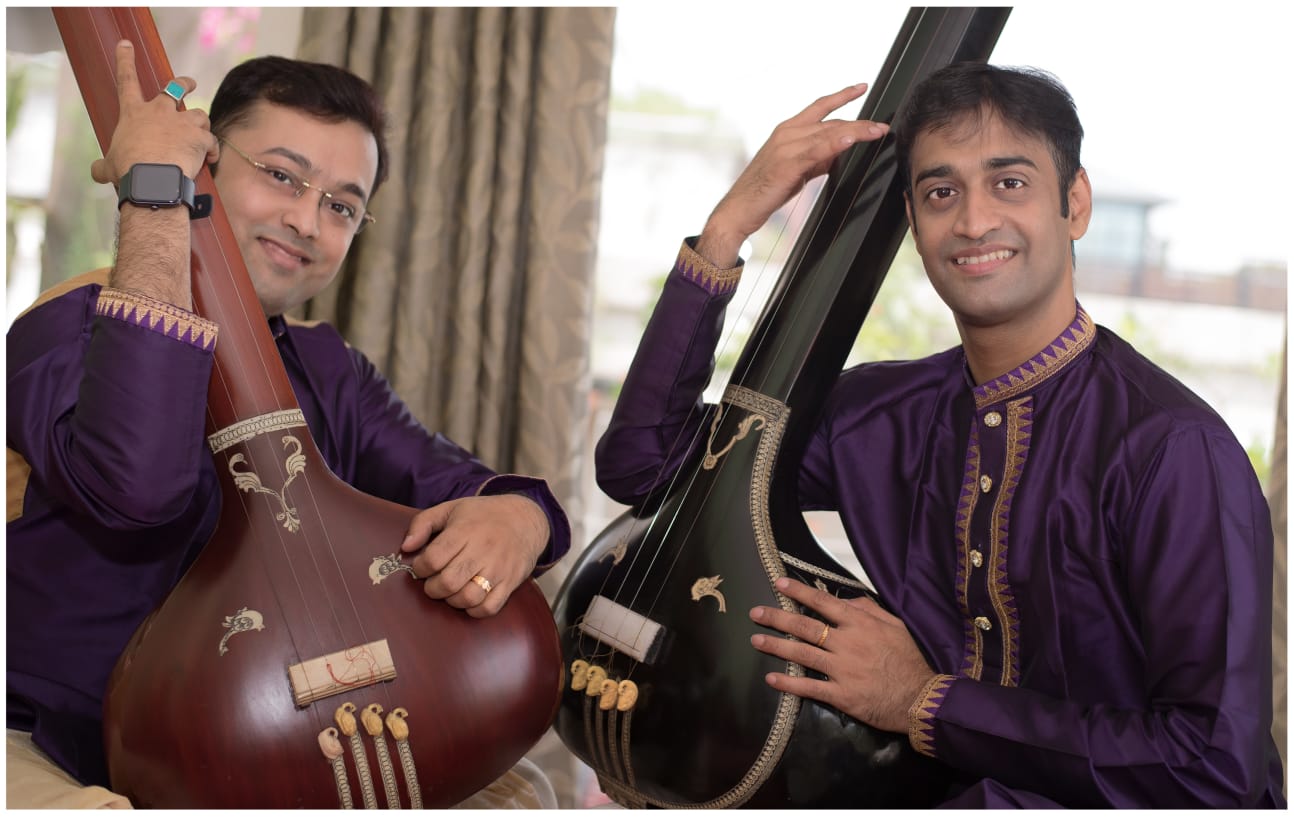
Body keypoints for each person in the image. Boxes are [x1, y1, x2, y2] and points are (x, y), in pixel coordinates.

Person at [594, 65, 1285, 807]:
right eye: (941, 192)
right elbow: (647, 466)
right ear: (914, 222)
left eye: (1009, 183)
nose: (974, 221)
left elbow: (1214, 770)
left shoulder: (1175, 451)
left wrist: (923, 699)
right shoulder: (880, 414)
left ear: (1075, 203)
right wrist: (728, 227)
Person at [6, 41, 568, 808]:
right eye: (281, 175)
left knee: (527, 792)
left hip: (267, 749)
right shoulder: (65, 327)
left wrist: (520, 517)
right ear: (204, 163)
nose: (306, 219)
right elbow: (137, 487)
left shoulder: (329, 369)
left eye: (341, 206)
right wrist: (155, 199)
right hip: (52, 742)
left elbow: (463, 482)